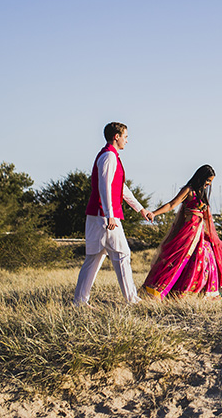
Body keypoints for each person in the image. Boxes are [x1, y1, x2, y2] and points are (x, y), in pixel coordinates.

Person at [73, 122, 155, 306]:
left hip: (98, 215)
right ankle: (132, 299)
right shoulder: (109, 156)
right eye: (125, 136)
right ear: (116, 136)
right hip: (105, 217)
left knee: (94, 257)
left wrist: (140, 209)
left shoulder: (109, 155)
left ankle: (79, 301)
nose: (127, 140)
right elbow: (104, 187)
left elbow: (121, 189)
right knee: (123, 254)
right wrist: (110, 214)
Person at [141, 164, 222, 305]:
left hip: (200, 233)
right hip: (188, 234)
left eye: (210, 182)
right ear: (200, 178)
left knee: (207, 260)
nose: (208, 185)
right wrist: (154, 213)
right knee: (177, 260)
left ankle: (198, 294)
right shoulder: (189, 190)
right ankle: (171, 292)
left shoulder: (202, 194)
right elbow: (172, 204)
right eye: (207, 181)